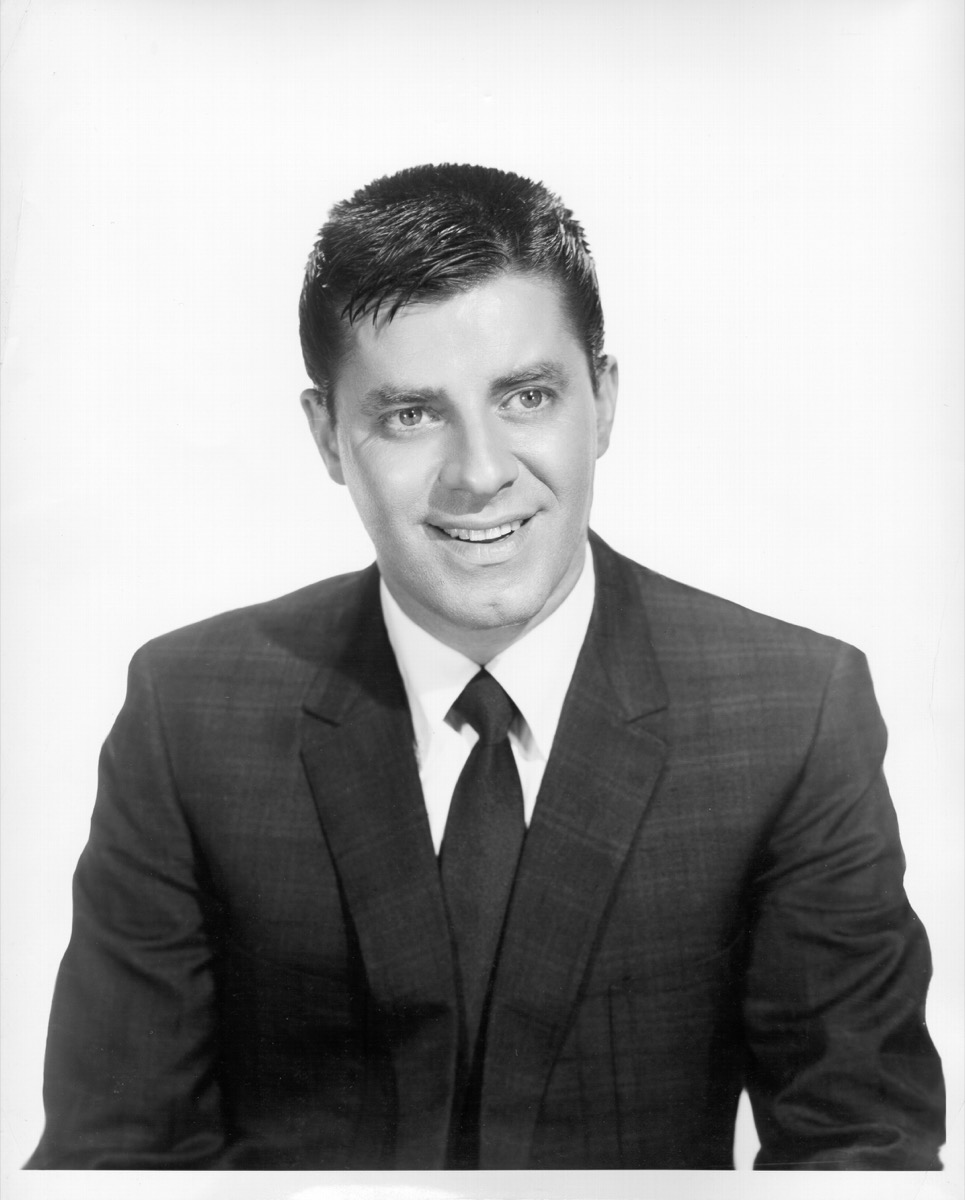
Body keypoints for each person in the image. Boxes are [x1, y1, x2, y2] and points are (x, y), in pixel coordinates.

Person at [28, 163, 944, 1170]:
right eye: (410, 415)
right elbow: (114, 1160)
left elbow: (861, 1151)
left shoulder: (789, 713)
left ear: (601, 401)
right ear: (327, 435)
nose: (479, 473)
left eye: (527, 397)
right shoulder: (188, 713)